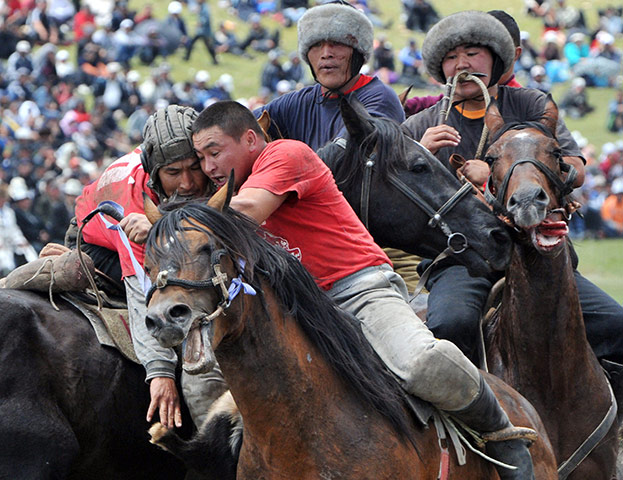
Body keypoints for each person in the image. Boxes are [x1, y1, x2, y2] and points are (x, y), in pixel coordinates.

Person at [192, 100, 536, 480]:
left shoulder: (285, 155)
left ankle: (502, 434)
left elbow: (248, 210)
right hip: (301, 310)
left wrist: (179, 220)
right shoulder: (220, 199)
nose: (209, 167)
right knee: (225, 411)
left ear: (251, 139)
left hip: (359, 288)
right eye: (201, 158)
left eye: (215, 152)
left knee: (421, 362)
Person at [402, 10, 623, 397]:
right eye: (452, 58)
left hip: (537, 254)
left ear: (497, 58)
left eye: (473, 52)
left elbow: (575, 167)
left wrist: (505, 177)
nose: (463, 64)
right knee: (450, 327)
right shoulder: (420, 126)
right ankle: (470, 423)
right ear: (441, 67)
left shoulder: (531, 103)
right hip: (459, 259)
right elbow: (393, 196)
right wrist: (417, 154)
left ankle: (610, 431)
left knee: (617, 325)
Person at [71, 105, 218, 430]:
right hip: (97, 243)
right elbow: (144, 296)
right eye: (174, 173)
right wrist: (160, 372)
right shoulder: (134, 210)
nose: (189, 183)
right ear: (154, 173)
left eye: (195, 168)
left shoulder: (207, 170)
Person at [254, 1, 405, 151]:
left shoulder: (380, 99)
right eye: (317, 45)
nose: (326, 54)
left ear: (358, 52)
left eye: (337, 43)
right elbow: (240, 129)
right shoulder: (297, 103)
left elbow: (344, 159)